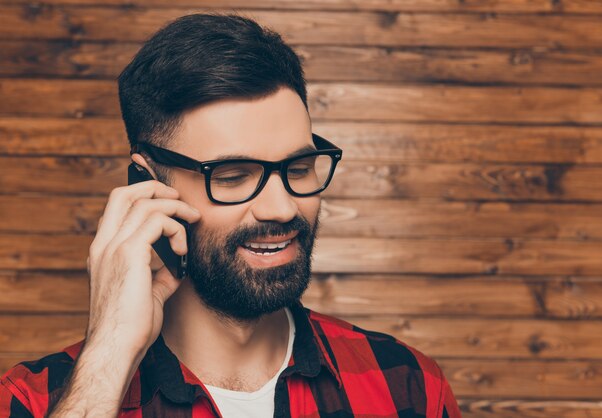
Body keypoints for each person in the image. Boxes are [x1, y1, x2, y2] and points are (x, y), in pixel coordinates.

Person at [0, 12, 462, 418]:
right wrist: (109, 353)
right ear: (147, 184)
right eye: (233, 176)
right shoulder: (31, 400)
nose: (281, 207)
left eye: (298, 168)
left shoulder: (408, 385)